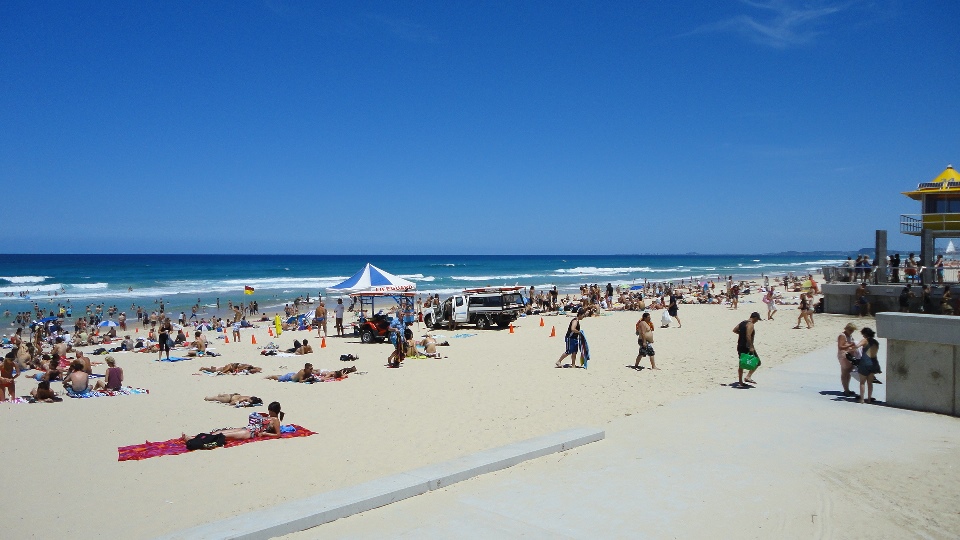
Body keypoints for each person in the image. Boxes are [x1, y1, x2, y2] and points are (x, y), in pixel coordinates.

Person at [184, 401, 284, 442]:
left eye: (269, 411)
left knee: (223, 436)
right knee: (219, 432)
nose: (268, 412)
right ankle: (194, 437)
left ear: (273, 411)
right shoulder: (268, 417)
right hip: (248, 428)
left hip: (251, 433)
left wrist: (265, 434)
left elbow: (278, 435)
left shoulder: (275, 420)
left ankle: (193, 440)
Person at [733, 312, 762, 386]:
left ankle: (740, 381)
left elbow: (735, 330)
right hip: (747, 346)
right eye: (757, 319)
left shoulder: (743, 322)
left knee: (741, 363)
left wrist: (741, 334)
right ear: (755, 317)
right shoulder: (750, 324)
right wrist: (751, 346)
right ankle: (748, 377)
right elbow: (748, 335)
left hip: (740, 345)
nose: (757, 321)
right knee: (757, 362)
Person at [856, 328, 882, 404]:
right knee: (870, 382)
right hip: (873, 362)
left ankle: (862, 399)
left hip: (865, 362)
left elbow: (857, 346)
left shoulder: (865, 340)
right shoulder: (876, 342)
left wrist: (850, 348)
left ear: (865, 334)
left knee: (862, 382)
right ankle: (869, 399)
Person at [836, 323, 860, 397]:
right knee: (845, 372)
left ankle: (847, 389)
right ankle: (846, 390)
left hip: (849, 355)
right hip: (844, 355)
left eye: (852, 330)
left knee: (849, 372)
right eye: (850, 330)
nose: (851, 331)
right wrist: (851, 345)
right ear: (846, 328)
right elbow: (840, 347)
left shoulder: (849, 336)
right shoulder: (842, 336)